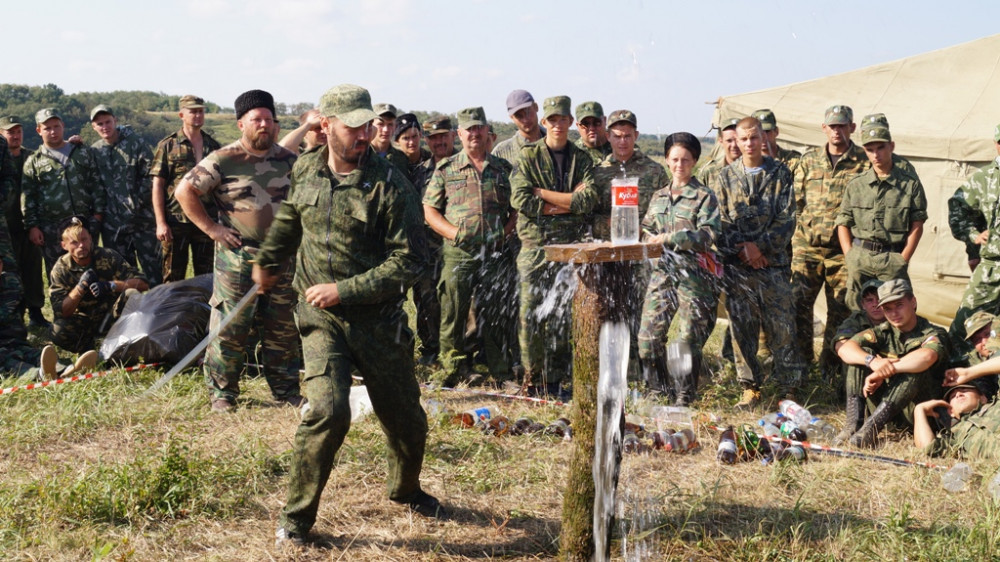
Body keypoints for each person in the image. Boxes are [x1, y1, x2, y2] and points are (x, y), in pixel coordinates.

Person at [253, 84, 439, 547]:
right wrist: (269, 259)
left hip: (379, 320)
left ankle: (406, 490)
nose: (364, 134)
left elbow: (408, 261)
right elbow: (291, 220)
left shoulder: (390, 182)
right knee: (328, 411)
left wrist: (345, 290)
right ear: (325, 127)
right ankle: (296, 522)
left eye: (368, 125)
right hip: (322, 320)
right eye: (352, 126)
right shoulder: (307, 170)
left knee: (407, 420)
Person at [174, 89, 302, 412]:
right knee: (230, 326)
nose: (264, 125)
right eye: (256, 119)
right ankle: (223, 393)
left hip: (281, 259)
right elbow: (184, 191)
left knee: (282, 326)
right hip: (238, 259)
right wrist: (213, 229)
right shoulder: (225, 159)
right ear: (240, 124)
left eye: (269, 119)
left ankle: (286, 389)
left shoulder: (289, 161)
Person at [423, 106, 518, 385]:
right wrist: (453, 233)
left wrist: (506, 231)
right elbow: (429, 210)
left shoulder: (502, 169)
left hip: (495, 252)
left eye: (479, 128)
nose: (474, 134)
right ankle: (452, 370)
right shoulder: (447, 168)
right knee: (453, 312)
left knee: (496, 312)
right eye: (469, 129)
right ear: (459, 134)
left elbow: (516, 208)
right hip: (459, 253)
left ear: (488, 132)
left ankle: (499, 371)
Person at [510, 95, 597, 397]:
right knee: (530, 314)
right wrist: (568, 203)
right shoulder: (528, 156)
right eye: (552, 119)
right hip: (535, 247)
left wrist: (545, 195)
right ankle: (532, 380)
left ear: (571, 122)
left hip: (567, 247)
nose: (558, 125)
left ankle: (556, 379)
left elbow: (588, 201)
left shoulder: (581, 159)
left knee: (561, 314)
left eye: (563, 119)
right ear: (544, 121)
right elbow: (520, 198)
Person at [715, 117, 804, 407]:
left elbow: (788, 217)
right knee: (743, 328)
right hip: (739, 268)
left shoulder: (780, 173)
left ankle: (788, 388)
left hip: (773, 265)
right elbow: (722, 222)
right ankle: (750, 386)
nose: (750, 143)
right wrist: (744, 252)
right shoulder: (725, 177)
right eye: (744, 139)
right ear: (736, 142)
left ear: (763, 138)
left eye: (755, 137)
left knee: (781, 327)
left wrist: (761, 248)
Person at [637, 132, 721, 405]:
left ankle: (684, 395)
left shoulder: (704, 197)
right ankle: (656, 390)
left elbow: (708, 235)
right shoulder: (659, 196)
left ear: (695, 161)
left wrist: (672, 239)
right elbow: (648, 229)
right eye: (674, 159)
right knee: (648, 338)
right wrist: (645, 238)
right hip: (662, 274)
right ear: (666, 160)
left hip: (693, 278)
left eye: (685, 159)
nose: (679, 165)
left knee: (686, 340)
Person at [791, 105, 867, 373]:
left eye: (842, 125)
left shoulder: (864, 162)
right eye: (832, 126)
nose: (837, 131)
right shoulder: (809, 160)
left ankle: (830, 371)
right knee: (798, 306)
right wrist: (803, 230)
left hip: (842, 251)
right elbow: (796, 200)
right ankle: (800, 366)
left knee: (841, 311)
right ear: (824, 128)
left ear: (852, 128)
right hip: (807, 248)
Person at [835, 279, 950, 448]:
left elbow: (926, 357)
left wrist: (885, 370)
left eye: (899, 305)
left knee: (915, 369)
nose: (894, 313)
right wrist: (872, 362)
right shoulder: (883, 331)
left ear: (913, 302)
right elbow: (846, 349)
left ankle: (871, 429)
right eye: (888, 308)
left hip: (918, 411)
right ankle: (853, 426)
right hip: (887, 409)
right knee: (860, 358)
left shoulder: (932, 332)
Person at [837, 122, 927, 310]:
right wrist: (849, 255)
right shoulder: (856, 185)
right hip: (861, 258)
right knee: (857, 314)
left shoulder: (909, 184)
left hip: (891, 260)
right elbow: (843, 221)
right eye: (870, 150)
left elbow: (917, 223)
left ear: (891, 147)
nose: (876, 155)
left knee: (898, 314)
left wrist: (903, 259)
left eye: (880, 148)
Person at [22, 108, 105, 277]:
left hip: (84, 225)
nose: (53, 132)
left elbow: (96, 183)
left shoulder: (81, 152)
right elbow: (28, 197)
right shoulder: (34, 161)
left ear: (63, 126)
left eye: (56, 126)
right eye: (47, 128)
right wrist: (33, 227)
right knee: (58, 275)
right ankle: (62, 304)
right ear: (39, 130)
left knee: (89, 273)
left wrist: (97, 215)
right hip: (52, 229)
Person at [49, 217, 148, 353]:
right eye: (74, 242)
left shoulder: (108, 256)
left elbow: (142, 284)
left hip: (112, 317)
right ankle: (93, 349)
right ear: (64, 245)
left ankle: (124, 341)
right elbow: (62, 311)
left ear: (91, 238)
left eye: (84, 239)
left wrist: (110, 285)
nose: (81, 246)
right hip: (84, 322)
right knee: (58, 330)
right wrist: (80, 288)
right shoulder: (61, 269)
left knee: (132, 295)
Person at [151, 95, 222, 283]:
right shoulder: (168, 146)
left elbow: (220, 186)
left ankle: (202, 313)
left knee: (207, 277)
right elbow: (158, 185)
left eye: (201, 111)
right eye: (193, 111)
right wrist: (160, 222)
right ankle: (172, 312)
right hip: (176, 221)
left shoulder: (213, 147)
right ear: (182, 114)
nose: (198, 115)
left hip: (205, 220)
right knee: (172, 277)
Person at [88, 105, 161, 286]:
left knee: (154, 269)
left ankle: (159, 310)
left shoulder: (136, 143)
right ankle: (129, 312)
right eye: (100, 124)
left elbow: (151, 176)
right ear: (94, 127)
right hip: (113, 226)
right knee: (121, 273)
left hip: (142, 221)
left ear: (115, 121)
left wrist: (136, 203)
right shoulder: (94, 151)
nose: (105, 127)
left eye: (108, 122)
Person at [947, 123, 1000, 342]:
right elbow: (958, 207)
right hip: (992, 268)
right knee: (964, 325)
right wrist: (972, 237)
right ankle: (952, 373)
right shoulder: (984, 179)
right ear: (996, 144)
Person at [0, 116, 48, 328]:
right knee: (10, 272)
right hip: (5, 227)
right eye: (10, 132)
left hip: (28, 224)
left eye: (18, 131)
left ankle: (36, 313)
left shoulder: (31, 157)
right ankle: (14, 316)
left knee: (33, 270)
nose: (16, 136)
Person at [830, 279, 885, 442]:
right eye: (870, 300)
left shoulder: (898, 317)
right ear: (862, 304)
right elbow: (841, 346)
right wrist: (872, 360)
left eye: (880, 299)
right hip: (858, 383)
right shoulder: (856, 320)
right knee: (860, 354)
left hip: (888, 381)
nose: (875, 305)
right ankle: (853, 423)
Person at [913, 380, 1000, 461]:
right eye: (953, 396)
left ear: (983, 398)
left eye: (964, 390)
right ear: (951, 412)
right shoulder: (954, 434)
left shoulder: (997, 405)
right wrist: (919, 410)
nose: (958, 394)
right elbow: (928, 448)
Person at [939, 310, 1000, 399]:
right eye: (977, 340)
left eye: (988, 334)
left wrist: (970, 373)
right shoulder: (974, 361)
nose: (984, 342)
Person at [492, 89, 544, 164]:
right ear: (512, 117)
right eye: (519, 116)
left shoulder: (556, 143)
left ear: (536, 107)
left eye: (528, 112)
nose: (525, 120)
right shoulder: (501, 153)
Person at [696, 117, 741, 193]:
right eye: (729, 141)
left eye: (738, 140)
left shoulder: (755, 169)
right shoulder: (709, 172)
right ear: (721, 141)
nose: (734, 145)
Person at [371, 103, 409, 171]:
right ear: (371, 125)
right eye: (381, 124)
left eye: (390, 124)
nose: (386, 130)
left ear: (395, 127)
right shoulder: (361, 155)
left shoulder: (401, 158)